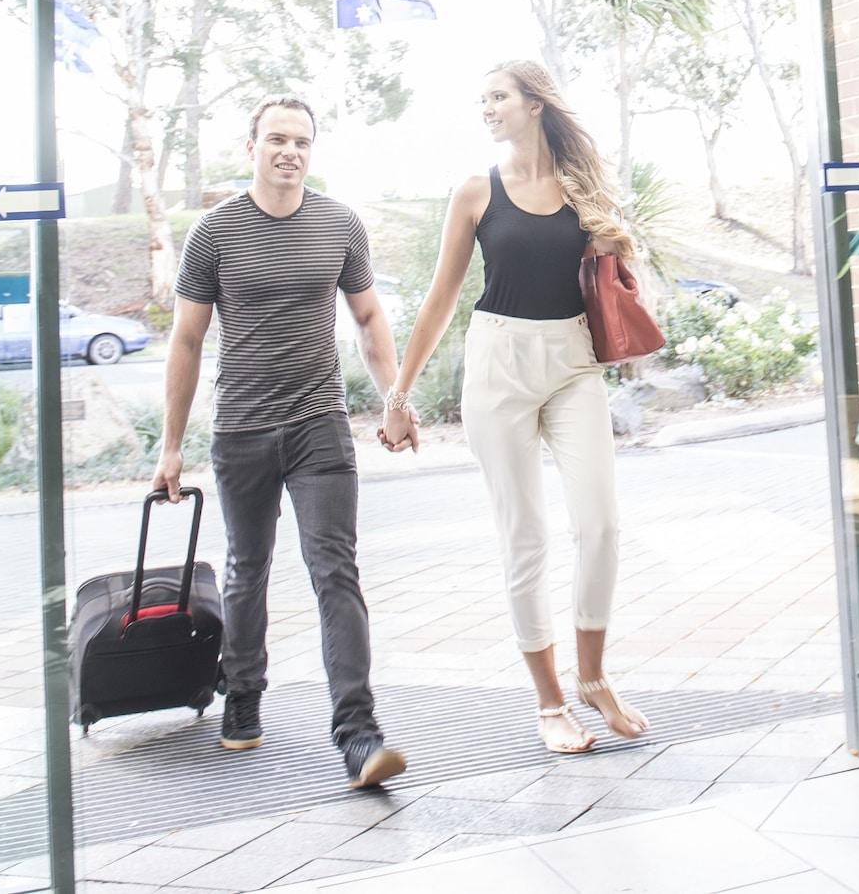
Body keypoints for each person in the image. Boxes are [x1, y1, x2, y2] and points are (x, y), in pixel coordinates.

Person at [381, 60, 649, 754]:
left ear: (534, 103)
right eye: (483, 98)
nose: (487, 107)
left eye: (497, 95)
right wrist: (399, 394)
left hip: (572, 362)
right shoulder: (475, 191)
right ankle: (550, 701)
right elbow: (441, 296)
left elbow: (620, 282)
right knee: (523, 533)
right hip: (497, 363)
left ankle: (593, 676)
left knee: (601, 524)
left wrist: (614, 244)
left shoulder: (583, 189)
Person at [154, 94, 408, 789]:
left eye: (300, 139)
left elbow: (368, 316)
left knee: (336, 571)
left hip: (319, 424)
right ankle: (243, 699)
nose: (289, 151)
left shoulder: (339, 223)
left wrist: (394, 398)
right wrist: (170, 446)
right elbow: (186, 339)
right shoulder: (213, 233)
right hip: (240, 429)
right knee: (247, 567)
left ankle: (358, 732)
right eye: (276, 139)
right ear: (252, 147)